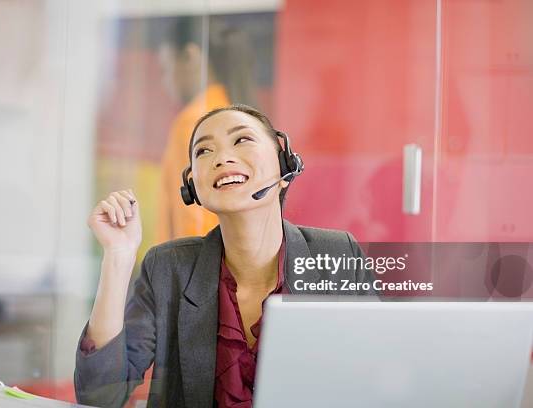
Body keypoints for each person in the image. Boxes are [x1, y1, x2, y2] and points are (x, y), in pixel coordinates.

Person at [74, 104, 375, 408]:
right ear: (193, 188)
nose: (222, 158)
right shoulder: (168, 268)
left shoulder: (339, 255)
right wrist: (118, 255)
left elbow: (378, 376)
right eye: (204, 151)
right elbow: (101, 395)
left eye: (242, 140)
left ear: (284, 169)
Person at [157, 16, 258, 242]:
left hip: (197, 270)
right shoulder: (240, 118)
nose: (165, 82)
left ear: (190, 57)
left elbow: (193, 219)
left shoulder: (194, 123)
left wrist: (183, 274)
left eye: (165, 68)